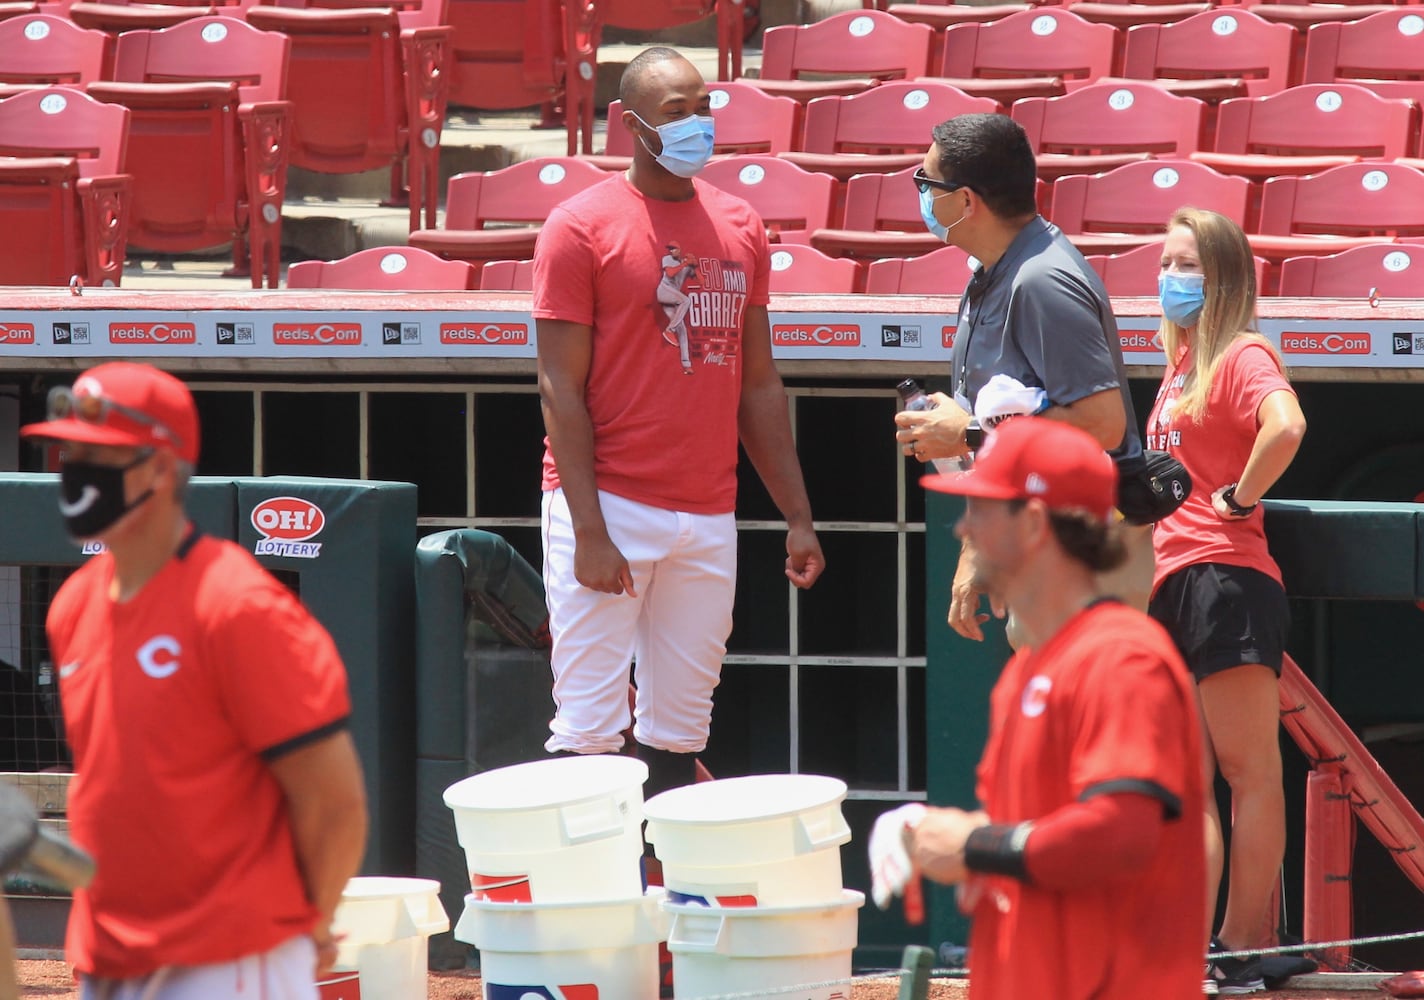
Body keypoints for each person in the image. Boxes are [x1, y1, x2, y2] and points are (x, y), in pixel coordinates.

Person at [20, 362, 368, 1000]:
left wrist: (309, 923)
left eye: (98, 456)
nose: (74, 473)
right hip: (107, 952)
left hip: (227, 955)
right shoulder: (72, 606)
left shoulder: (236, 607)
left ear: (158, 467)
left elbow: (334, 802)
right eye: (70, 452)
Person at [532, 46, 825, 799]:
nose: (698, 124)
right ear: (629, 124)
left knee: (681, 728)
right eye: (676, 112)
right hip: (609, 506)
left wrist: (797, 514)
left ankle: (668, 903)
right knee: (591, 728)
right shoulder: (579, 226)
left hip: (708, 512)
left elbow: (758, 384)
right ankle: (593, 907)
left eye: (704, 108)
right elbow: (558, 388)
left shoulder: (740, 224)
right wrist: (589, 528)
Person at [868, 417, 1206, 1000]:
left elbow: (1118, 836)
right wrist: (961, 837)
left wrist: (973, 846)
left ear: (1031, 524)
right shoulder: (1026, 671)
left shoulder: (1122, 660)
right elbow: (1037, 833)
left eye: (982, 509)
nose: (964, 528)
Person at [893, 113, 1157, 639]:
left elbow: (1102, 423)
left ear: (966, 201)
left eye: (927, 182)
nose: (920, 194)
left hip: (1085, 546)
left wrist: (966, 432)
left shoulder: (1043, 280)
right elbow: (1000, 417)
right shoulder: (995, 272)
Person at [1147, 208, 1306, 994]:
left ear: (1224, 278)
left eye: (1188, 266)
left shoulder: (1242, 352)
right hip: (1173, 582)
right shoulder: (1180, 366)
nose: (1170, 278)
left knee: (1250, 774)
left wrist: (1240, 498)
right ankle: (1196, 948)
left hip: (1227, 578)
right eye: (1166, 262)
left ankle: (1241, 947)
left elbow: (1287, 426)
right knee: (1188, 780)